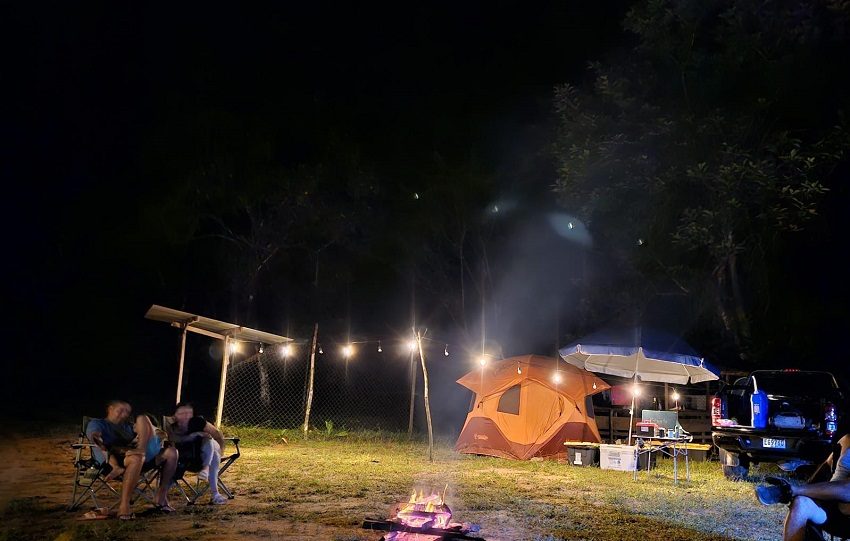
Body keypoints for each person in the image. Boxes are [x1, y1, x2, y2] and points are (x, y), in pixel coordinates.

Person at [87, 400, 179, 519]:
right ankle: (124, 507)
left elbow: (142, 435)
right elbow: (95, 435)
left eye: (127, 412)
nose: (124, 414)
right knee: (142, 419)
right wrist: (98, 439)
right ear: (110, 409)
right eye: (121, 410)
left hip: (136, 457)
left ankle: (161, 497)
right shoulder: (98, 423)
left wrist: (154, 434)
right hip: (109, 461)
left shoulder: (128, 426)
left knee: (172, 453)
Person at [756, 434, 850, 541]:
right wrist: (809, 490)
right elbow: (825, 468)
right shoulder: (847, 440)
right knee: (801, 503)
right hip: (830, 512)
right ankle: (791, 491)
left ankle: (791, 490)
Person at [166, 401, 228, 505]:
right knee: (212, 452)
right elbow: (171, 440)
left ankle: (207, 471)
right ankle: (215, 494)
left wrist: (221, 451)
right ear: (175, 415)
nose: (185, 416)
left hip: (206, 454)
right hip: (191, 459)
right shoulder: (173, 427)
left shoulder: (198, 421)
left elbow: (217, 434)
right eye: (182, 413)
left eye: (188, 413)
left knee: (209, 441)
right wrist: (193, 435)